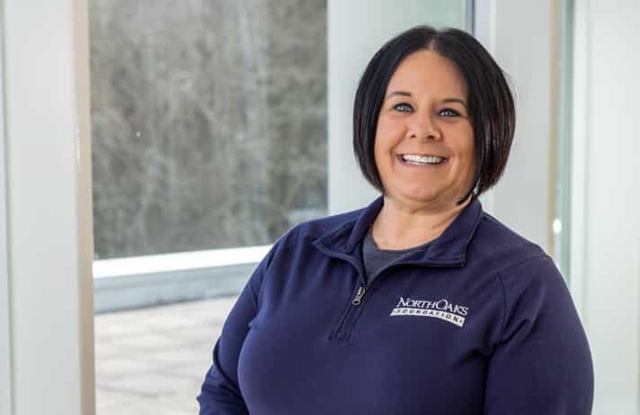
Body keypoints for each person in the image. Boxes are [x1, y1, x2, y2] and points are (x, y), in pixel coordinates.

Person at [197, 26, 594, 414]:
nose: (423, 129)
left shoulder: (522, 285)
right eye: (402, 107)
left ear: (487, 134)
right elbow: (224, 391)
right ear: (372, 122)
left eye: (450, 112)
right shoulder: (299, 251)